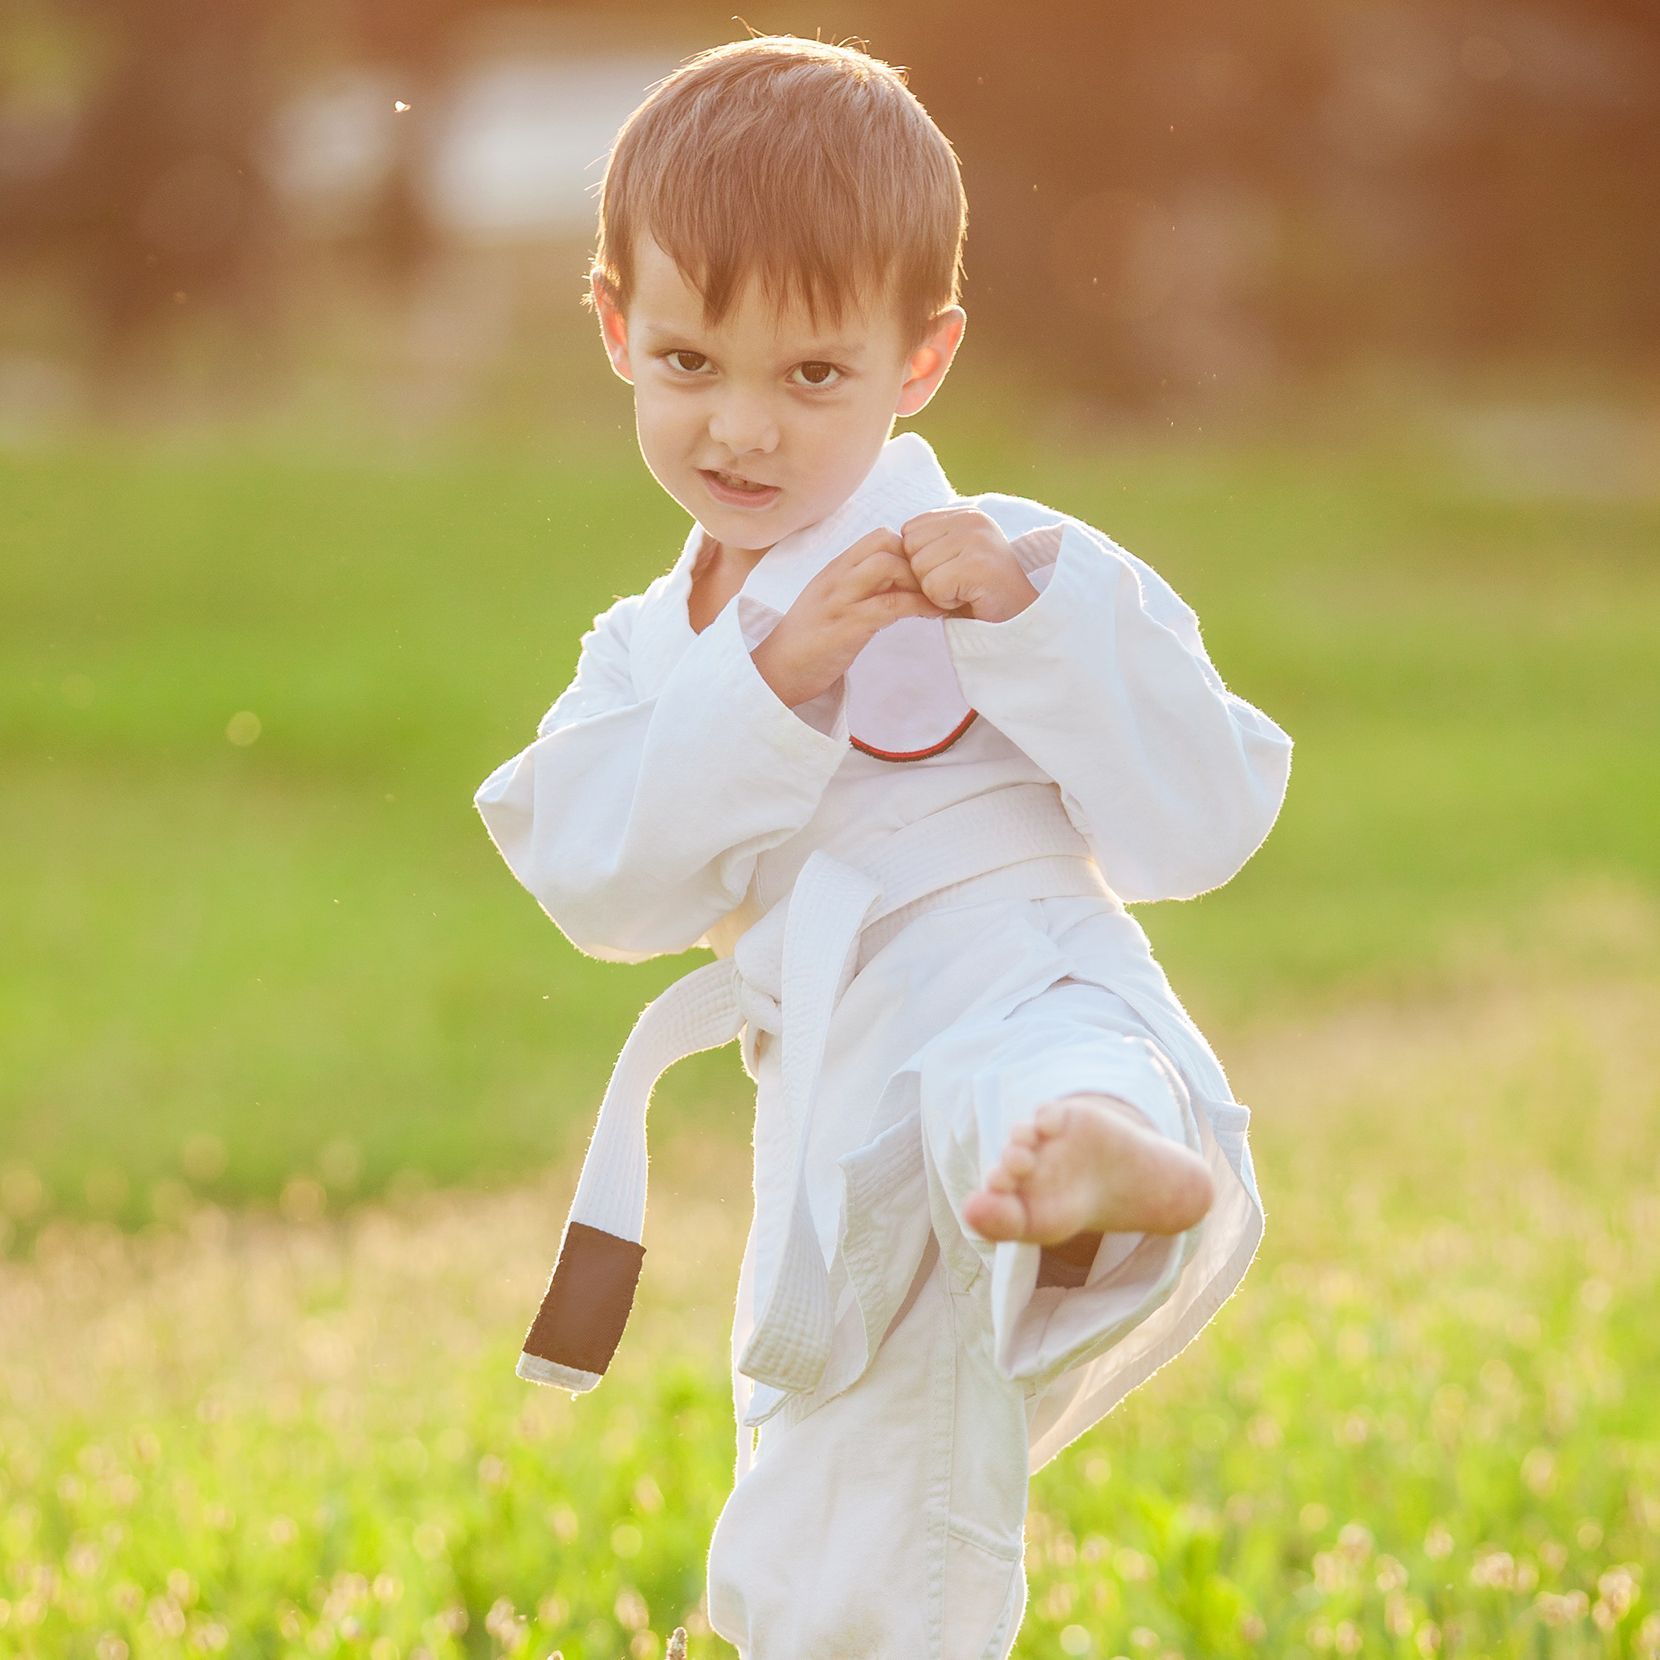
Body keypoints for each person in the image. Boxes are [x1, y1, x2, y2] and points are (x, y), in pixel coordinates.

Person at [472, 32, 1294, 1660]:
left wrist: (1040, 624)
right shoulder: (649, 654)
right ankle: (1068, 1192)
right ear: (617, 325)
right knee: (841, 1507)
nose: (747, 431)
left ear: (921, 362)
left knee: (1044, 1078)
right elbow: (599, 884)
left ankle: (1104, 1168)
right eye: (693, 362)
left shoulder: (1011, 566)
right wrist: (766, 685)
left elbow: (1204, 821)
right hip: (853, 1118)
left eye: (814, 376)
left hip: (1031, 983)